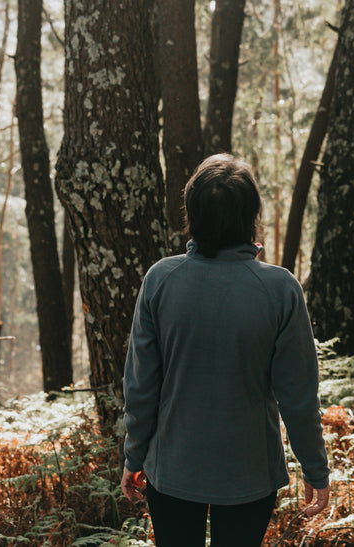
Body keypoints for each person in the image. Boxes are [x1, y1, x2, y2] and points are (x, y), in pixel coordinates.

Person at [120, 154, 330, 546]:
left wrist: (133, 458)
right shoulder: (280, 289)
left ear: (193, 213)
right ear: (251, 215)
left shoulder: (161, 280)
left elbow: (140, 386)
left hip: (172, 471)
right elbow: (298, 396)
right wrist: (315, 471)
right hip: (249, 476)